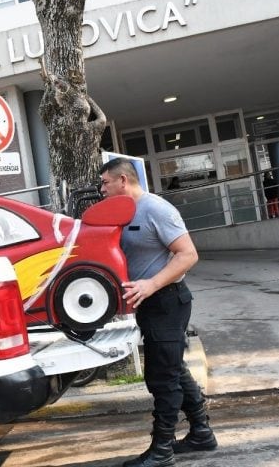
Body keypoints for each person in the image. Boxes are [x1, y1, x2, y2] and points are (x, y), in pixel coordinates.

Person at [98, 158, 216, 467]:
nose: (102, 189)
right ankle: (201, 433)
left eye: (105, 183)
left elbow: (188, 254)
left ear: (123, 180)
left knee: (161, 378)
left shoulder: (157, 209)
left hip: (168, 301)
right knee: (174, 369)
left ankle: (162, 450)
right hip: (150, 305)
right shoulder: (123, 213)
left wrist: (151, 284)